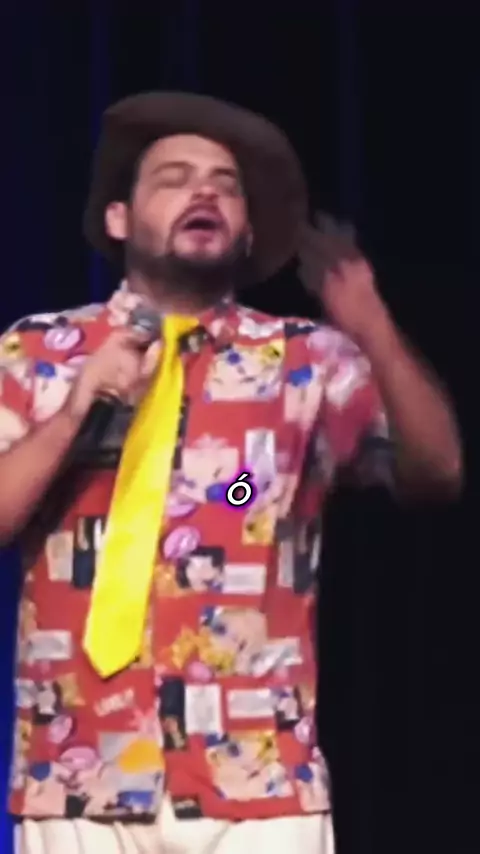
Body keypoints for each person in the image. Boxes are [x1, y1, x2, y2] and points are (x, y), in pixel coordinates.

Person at [0, 92, 462, 854]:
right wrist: (75, 410)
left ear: (245, 233)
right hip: (77, 774)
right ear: (118, 219)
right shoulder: (39, 352)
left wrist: (372, 324)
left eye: (225, 185)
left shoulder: (307, 363)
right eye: (174, 178)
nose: (205, 192)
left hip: (259, 784)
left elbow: (438, 471)